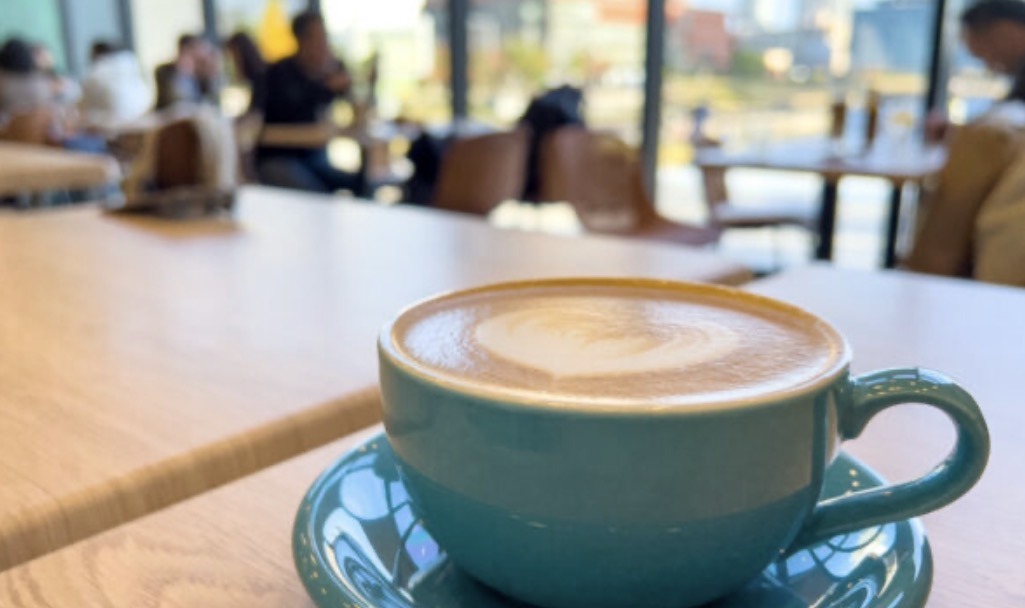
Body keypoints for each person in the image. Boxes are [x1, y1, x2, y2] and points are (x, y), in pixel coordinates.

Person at [256, 10, 361, 194]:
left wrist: (346, 85)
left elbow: (358, 110)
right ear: (301, 40)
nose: (324, 44)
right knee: (320, 198)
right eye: (318, 38)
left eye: (325, 37)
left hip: (313, 157)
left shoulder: (325, 71)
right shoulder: (280, 73)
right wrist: (326, 88)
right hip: (279, 158)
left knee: (357, 183)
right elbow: (291, 112)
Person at [79, 40, 151, 128]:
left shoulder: (96, 72)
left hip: (114, 125)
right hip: (143, 115)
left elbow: (83, 106)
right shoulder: (132, 63)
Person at [154, 34, 221, 110]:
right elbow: (172, 100)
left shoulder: (201, 73)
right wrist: (185, 70)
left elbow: (212, 99)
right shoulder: (163, 71)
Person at [225, 32, 267, 115]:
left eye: (232, 56)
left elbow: (256, 112)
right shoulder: (256, 78)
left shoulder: (261, 79)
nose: (232, 62)